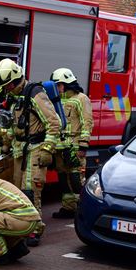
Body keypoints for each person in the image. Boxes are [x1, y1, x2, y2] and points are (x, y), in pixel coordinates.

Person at [0, 58, 60, 246]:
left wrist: (48, 149)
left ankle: (35, 229)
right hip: (19, 150)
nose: (6, 89)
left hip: (36, 149)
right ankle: (22, 225)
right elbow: (16, 124)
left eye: (8, 85)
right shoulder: (16, 97)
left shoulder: (35, 94)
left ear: (16, 80)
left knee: (31, 190)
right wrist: (6, 141)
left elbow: (53, 123)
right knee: (17, 191)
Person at [50, 68, 92, 218]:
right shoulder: (57, 100)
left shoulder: (81, 99)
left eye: (58, 85)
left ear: (66, 83)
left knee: (76, 180)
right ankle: (68, 208)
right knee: (63, 179)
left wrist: (83, 145)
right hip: (60, 148)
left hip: (74, 146)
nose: (57, 88)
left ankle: (83, 209)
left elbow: (87, 123)